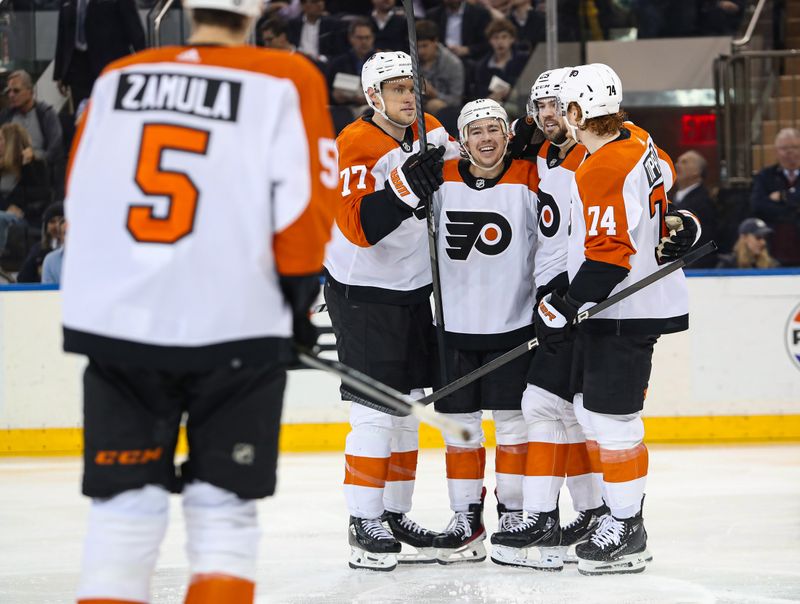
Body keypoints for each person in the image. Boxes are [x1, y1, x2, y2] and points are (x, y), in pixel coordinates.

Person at [60, 5, 338, 603]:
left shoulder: (116, 78)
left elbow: (80, 195)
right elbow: (305, 203)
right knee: (224, 510)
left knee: (122, 509)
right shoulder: (287, 77)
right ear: (257, 9)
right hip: (234, 324)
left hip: (121, 325)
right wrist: (296, 304)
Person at [534, 63, 700, 575]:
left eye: (566, 109)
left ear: (581, 111)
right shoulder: (637, 137)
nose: (561, 118)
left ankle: (627, 528)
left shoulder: (601, 167)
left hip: (624, 308)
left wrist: (564, 306)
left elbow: (609, 255)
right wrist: (674, 220)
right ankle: (615, 513)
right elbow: (665, 176)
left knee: (612, 420)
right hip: (624, 304)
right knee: (588, 409)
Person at [323, 50, 460, 571]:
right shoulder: (354, 144)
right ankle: (363, 519)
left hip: (412, 286)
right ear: (372, 96)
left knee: (406, 408)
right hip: (364, 289)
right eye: (397, 89)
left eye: (413, 87)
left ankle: (394, 514)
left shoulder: (431, 128)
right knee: (375, 410)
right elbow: (359, 227)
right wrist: (405, 189)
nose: (409, 97)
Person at [490, 67, 606, 571]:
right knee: (562, 411)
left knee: (547, 407)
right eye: (541, 106)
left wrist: (674, 217)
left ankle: (547, 516)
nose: (550, 114)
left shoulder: (592, 153)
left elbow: (651, 158)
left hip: (574, 293)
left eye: (559, 105)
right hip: (549, 292)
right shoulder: (541, 152)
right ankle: (593, 511)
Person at [429, 98, 537, 564]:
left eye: (495, 128)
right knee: (461, 429)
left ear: (508, 134)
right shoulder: (439, 178)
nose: (486, 138)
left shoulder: (531, 177)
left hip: (513, 323)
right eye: (476, 131)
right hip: (453, 327)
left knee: (513, 426)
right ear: (462, 139)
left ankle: (513, 513)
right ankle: (465, 519)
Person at [53, 0, 146, 109]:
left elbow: (134, 29)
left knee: (110, 111)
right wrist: (59, 73)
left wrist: (144, 65)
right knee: (82, 114)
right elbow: (63, 33)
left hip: (110, 66)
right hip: (78, 67)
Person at [750, 128, 800, 267]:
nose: (790, 152)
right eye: (784, 148)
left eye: (795, 147)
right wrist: (794, 206)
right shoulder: (765, 176)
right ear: (777, 151)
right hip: (774, 246)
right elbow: (758, 205)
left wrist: (783, 197)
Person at [0, 123, 49, 256]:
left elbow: (41, 197)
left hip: (26, 218)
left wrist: (27, 166)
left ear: (11, 142)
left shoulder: (35, 165)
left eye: (1, 139)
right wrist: (7, 206)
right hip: (6, 214)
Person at [0, 70, 64, 171]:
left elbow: (55, 151)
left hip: (39, 174)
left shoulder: (46, 114)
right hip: (10, 173)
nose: (11, 95)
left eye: (16, 91)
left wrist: (35, 156)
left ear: (30, 91)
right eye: (9, 91)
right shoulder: (5, 115)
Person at [672, 150, 717, 267]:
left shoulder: (704, 202)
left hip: (694, 266)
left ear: (697, 171)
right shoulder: (671, 198)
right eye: (678, 161)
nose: (677, 165)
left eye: (684, 162)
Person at [470, 18, 529, 103]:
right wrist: (489, 99)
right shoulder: (482, 67)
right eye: (495, 38)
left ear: (512, 39)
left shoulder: (523, 60)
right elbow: (479, 95)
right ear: (490, 41)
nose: (500, 42)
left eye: (504, 37)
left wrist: (512, 93)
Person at [416, 20, 465, 116]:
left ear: (435, 41)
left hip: (445, 111)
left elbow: (456, 100)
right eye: (417, 47)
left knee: (435, 105)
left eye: (425, 46)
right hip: (416, 104)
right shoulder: (412, 60)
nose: (421, 51)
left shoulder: (453, 64)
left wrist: (433, 93)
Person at [327, 18, 376, 107]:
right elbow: (326, 91)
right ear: (351, 38)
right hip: (344, 107)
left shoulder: (380, 61)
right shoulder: (338, 63)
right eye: (360, 38)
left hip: (373, 108)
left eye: (367, 37)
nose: (364, 42)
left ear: (373, 38)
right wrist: (334, 96)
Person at [427, 0, 493, 60]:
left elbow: (486, 43)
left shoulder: (480, 14)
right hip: (440, 59)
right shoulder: (433, 15)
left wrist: (468, 50)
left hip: (470, 59)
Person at [16, 202, 64, 284]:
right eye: (52, 221)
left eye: (61, 220)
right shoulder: (38, 249)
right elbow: (22, 279)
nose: (57, 225)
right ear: (46, 226)